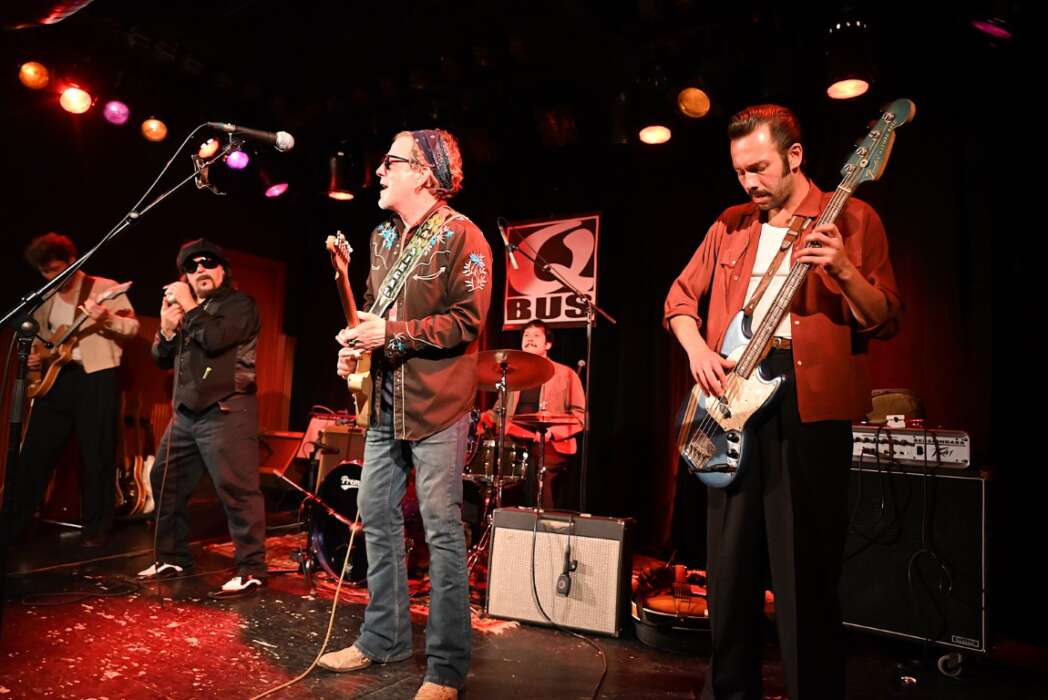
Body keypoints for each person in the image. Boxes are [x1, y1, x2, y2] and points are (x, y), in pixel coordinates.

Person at [664, 104, 902, 699]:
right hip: (731, 396)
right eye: (739, 171)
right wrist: (697, 351)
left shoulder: (854, 217)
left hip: (808, 405)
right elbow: (679, 301)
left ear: (795, 156)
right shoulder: (729, 225)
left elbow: (885, 319)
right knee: (728, 575)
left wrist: (843, 269)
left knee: (805, 578)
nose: (749, 182)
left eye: (760, 168)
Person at [321, 129, 491, 700]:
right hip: (384, 404)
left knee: (441, 528)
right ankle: (384, 638)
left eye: (391, 162)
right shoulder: (383, 237)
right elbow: (377, 314)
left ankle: (445, 668)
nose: (379, 171)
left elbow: (466, 322)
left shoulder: (464, 236)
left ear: (423, 173)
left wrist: (388, 334)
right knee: (374, 511)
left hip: (438, 403)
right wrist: (356, 345)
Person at [137, 238, 267, 600]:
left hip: (227, 409)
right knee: (165, 480)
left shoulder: (239, 305)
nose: (200, 270)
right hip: (186, 414)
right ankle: (171, 557)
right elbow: (161, 358)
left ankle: (252, 569)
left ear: (223, 270)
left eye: (208, 263)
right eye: (191, 267)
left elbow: (215, 338)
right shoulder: (188, 310)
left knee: (237, 490)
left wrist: (189, 306)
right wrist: (166, 329)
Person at [6, 232, 138, 547]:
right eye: (45, 273)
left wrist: (105, 317)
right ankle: (12, 526)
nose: (51, 277)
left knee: (97, 453)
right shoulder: (46, 296)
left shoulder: (104, 288)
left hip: (96, 376)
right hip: (57, 379)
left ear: (72, 261)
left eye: (56, 270)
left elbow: (132, 327)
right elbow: (39, 338)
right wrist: (36, 358)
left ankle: (97, 528)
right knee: (35, 452)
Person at [478, 319, 584, 510]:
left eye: (536, 335)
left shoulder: (566, 374)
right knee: (483, 463)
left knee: (536, 466)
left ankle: (541, 522)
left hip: (549, 443)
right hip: (513, 439)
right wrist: (480, 420)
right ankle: (490, 520)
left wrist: (552, 432)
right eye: (526, 335)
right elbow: (497, 413)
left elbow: (579, 416)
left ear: (548, 344)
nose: (530, 339)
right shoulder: (511, 375)